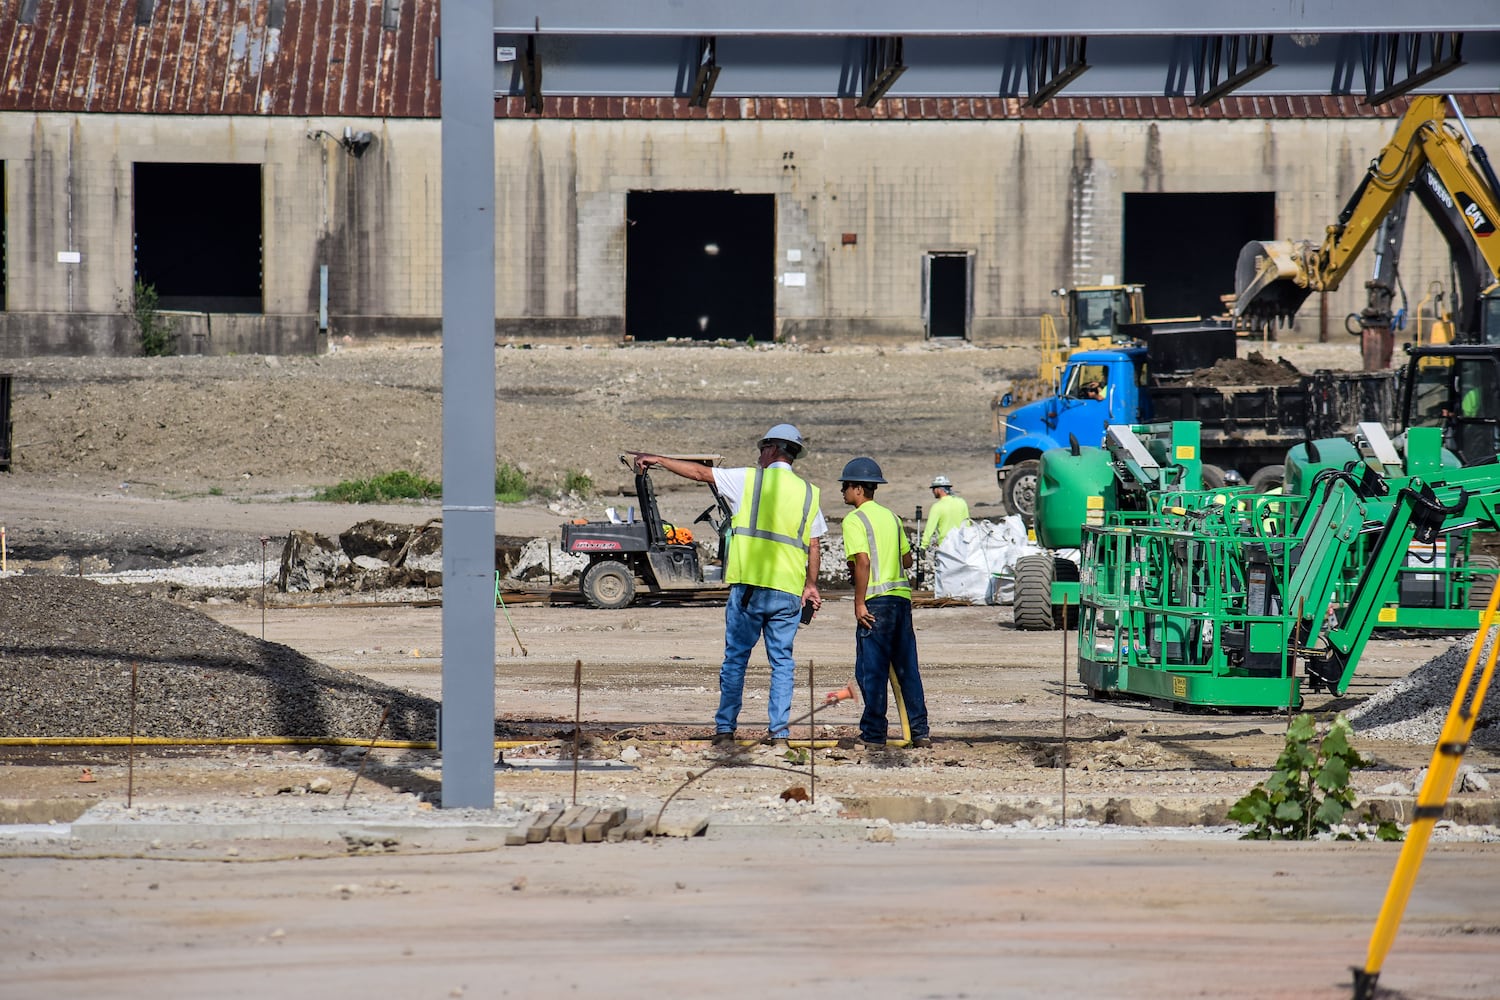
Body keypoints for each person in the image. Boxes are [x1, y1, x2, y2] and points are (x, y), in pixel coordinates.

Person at [634, 423, 826, 746]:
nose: (759, 455)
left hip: (750, 588)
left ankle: (726, 730)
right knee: (782, 663)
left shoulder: (748, 479)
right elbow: (815, 545)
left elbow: (699, 474)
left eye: (762, 449)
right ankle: (779, 733)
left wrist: (658, 460)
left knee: (737, 658)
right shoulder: (809, 493)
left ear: (772, 450)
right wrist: (811, 586)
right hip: (789, 592)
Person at [839, 456, 931, 749]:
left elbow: (863, 561)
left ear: (857, 489)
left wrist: (859, 604)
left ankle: (874, 733)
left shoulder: (854, 520)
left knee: (871, 671)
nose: (842, 492)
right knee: (907, 670)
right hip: (900, 602)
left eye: (845, 487)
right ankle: (919, 731)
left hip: (875, 604)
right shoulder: (891, 516)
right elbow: (906, 559)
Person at [920, 474, 969, 552]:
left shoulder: (937, 507)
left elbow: (930, 528)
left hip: (945, 546)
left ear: (939, 489)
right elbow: (967, 524)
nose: (933, 491)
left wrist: (923, 546)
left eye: (934, 489)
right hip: (962, 544)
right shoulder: (962, 502)